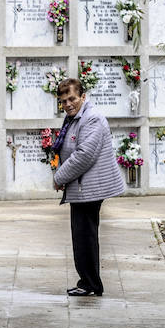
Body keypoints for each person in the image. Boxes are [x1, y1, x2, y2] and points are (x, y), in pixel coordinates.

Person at [51, 78, 126, 297]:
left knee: (85, 236)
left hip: (90, 188)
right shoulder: (74, 118)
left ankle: (91, 284)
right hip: (82, 187)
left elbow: (84, 156)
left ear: (83, 97)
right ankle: (88, 282)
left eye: (72, 98)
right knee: (82, 235)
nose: (68, 104)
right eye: (63, 101)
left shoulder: (93, 119)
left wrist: (60, 177)